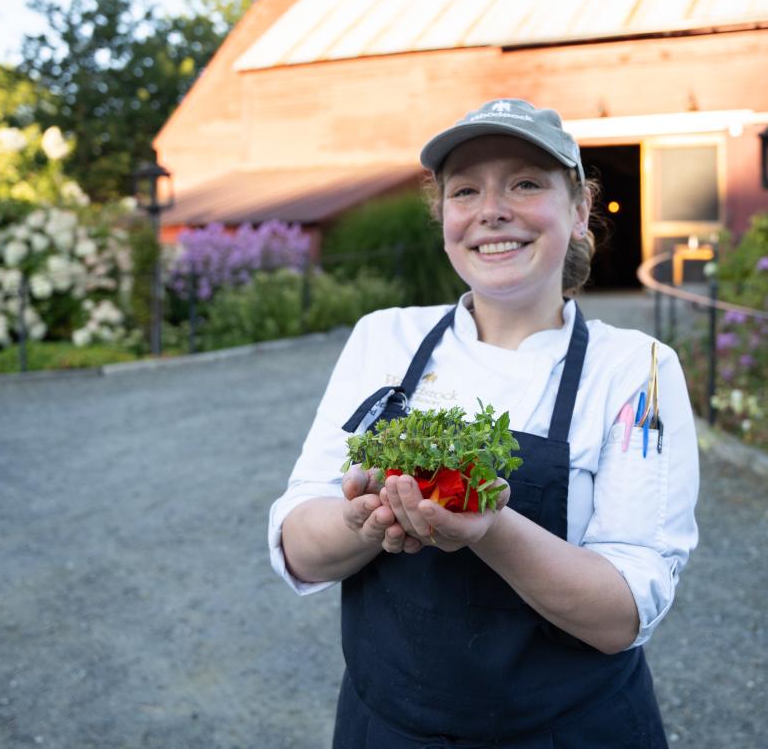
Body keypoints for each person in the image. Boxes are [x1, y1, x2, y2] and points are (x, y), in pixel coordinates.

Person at [268, 98, 699, 748]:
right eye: (465, 189)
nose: (492, 209)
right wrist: (362, 519)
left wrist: (488, 527)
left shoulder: (638, 369)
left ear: (579, 208)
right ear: (444, 216)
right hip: (387, 730)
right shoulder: (385, 339)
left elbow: (622, 611)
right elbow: (300, 544)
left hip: (569, 734)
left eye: (525, 183)